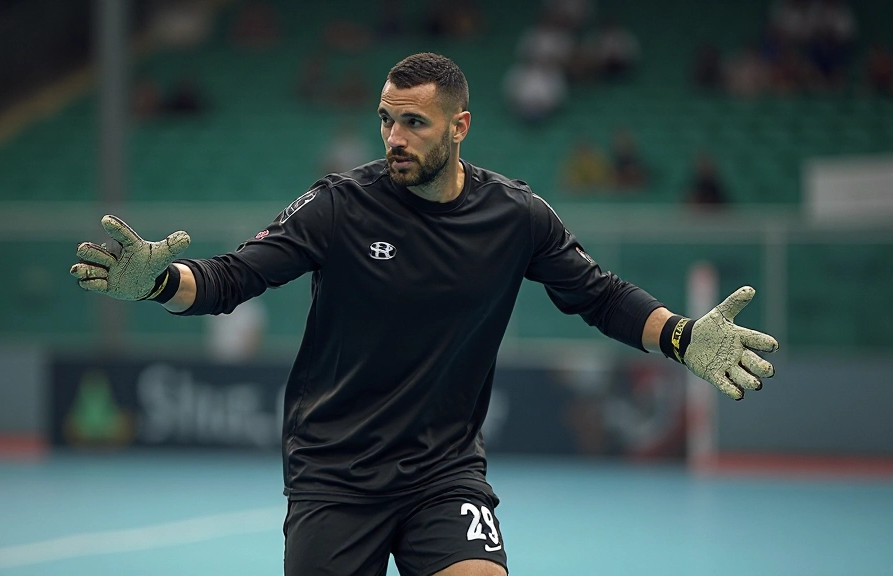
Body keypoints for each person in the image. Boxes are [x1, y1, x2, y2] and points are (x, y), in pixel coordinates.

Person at [70, 53, 779, 576]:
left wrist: (682, 337)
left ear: (459, 126)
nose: (395, 136)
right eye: (386, 120)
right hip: (334, 472)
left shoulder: (516, 216)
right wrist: (160, 284)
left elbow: (596, 293)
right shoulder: (338, 207)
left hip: (443, 472)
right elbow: (231, 278)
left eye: (414, 122)